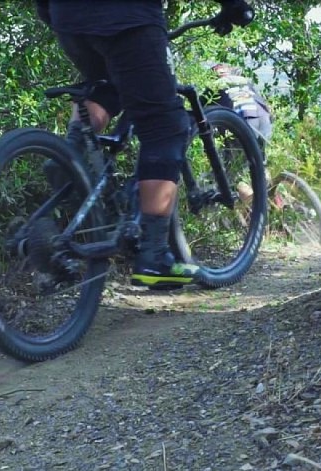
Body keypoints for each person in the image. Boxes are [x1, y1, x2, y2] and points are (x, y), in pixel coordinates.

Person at [35, 0, 254, 289]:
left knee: (106, 85)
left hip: (67, 17)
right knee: (166, 126)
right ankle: (153, 255)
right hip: (127, 17)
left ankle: (69, 156)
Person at [211, 63, 273, 146]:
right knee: (260, 154)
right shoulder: (244, 81)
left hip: (246, 117)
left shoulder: (216, 85)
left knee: (243, 153)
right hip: (264, 116)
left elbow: (202, 107)